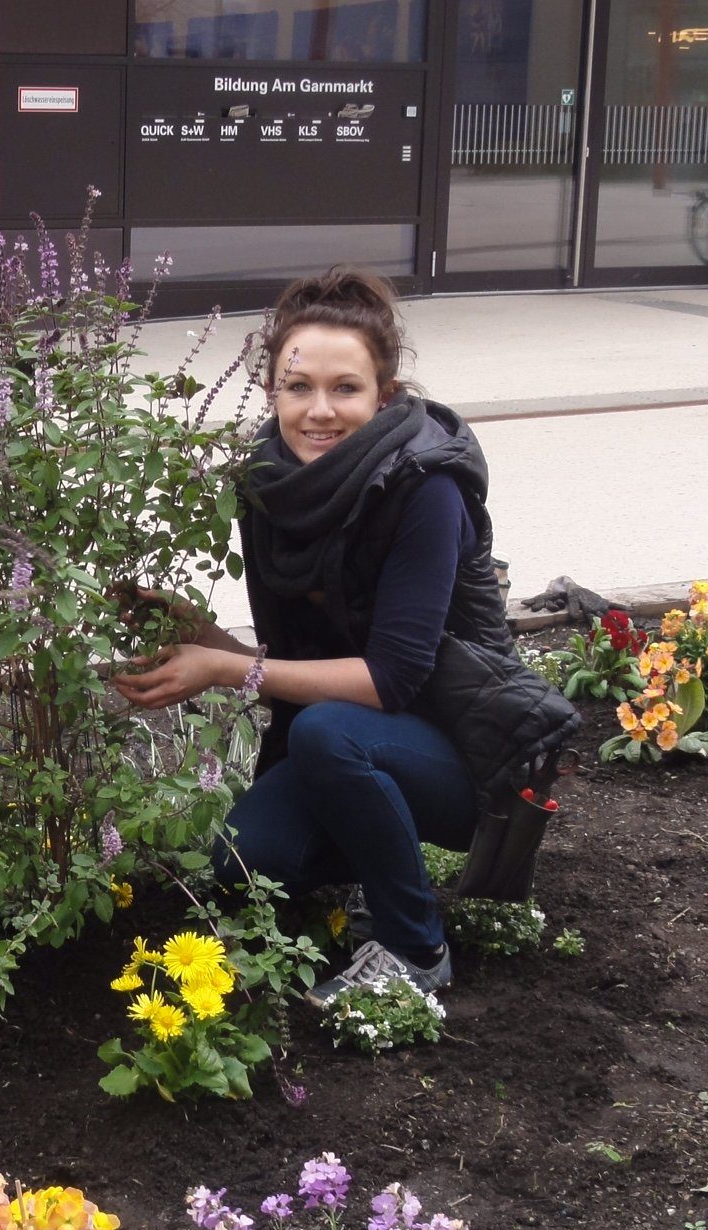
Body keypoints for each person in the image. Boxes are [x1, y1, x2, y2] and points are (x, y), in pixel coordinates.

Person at [112, 268, 575, 1008]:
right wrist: (200, 635)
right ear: (271, 393)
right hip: (359, 741)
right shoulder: (270, 485)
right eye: (298, 388)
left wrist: (226, 672)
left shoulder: (427, 488)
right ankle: (373, 858)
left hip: (466, 754)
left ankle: (415, 950)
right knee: (247, 860)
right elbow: (294, 661)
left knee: (331, 733)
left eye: (345, 389)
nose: (319, 411)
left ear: (384, 396)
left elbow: (390, 680)